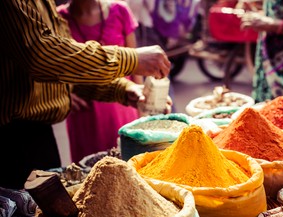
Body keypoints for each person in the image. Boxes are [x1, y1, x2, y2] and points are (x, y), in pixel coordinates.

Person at [0, 0, 171, 190]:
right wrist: (131, 59)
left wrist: (123, 89)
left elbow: (67, 72)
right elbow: (41, 55)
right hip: (11, 139)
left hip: (39, 135)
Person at [57, 0, 145, 163]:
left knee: (131, 167)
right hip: (85, 116)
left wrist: (143, 108)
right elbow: (52, 66)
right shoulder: (59, 18)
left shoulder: (120, 11)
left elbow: (136, 67)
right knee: (90, 172)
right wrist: (63, 92)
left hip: (123, 104)